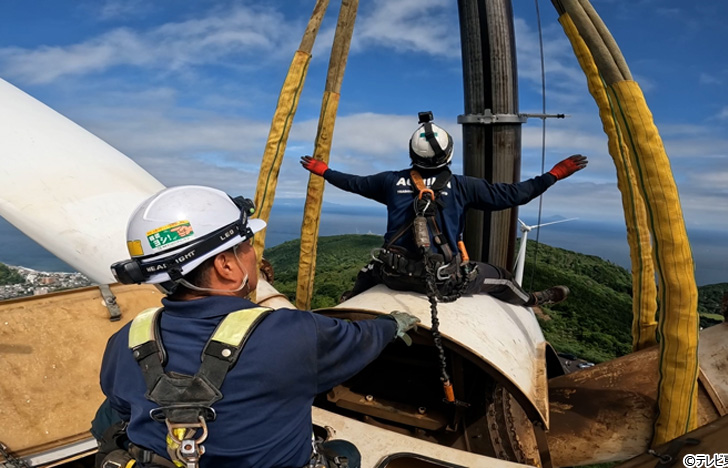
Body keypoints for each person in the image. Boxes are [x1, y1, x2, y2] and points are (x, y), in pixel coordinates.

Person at [97, 185, 420, 468]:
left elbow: (121, 405)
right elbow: (361, 339)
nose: (254, 255)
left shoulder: (126, 339)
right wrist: (390, 325)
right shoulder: (292, 333)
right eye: (246, 244)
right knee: (344, 450)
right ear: (226, 266)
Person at [300, 112, 588, 307]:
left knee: (366, 271)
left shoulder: (389, 181)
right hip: (442, 282)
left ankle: (348, 302)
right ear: (449, 154)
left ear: (412, 154)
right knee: (502, 278)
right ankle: (531, 301)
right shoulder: (464, 186)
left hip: (392, 274)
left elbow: (353, 182)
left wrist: (324, 171)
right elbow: (516, 195)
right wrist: (555, 174)